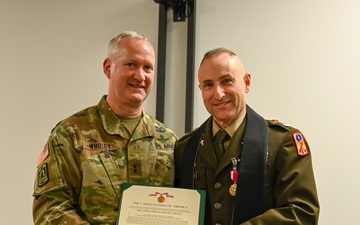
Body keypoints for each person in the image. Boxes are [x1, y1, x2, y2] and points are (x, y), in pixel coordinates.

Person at [32, 31, 177, 225]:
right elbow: (50, 209)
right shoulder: (71, 134)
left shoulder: (168, 141)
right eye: (131, 64)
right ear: (108, 68)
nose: (140, 75)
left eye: (148, 68)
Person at [175, 47, 320, 225]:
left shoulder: (283, 143)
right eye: (208, 85)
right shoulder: (186, 147)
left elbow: (302, 213)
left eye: (227, 81)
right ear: (201, 89)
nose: (218, 94)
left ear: (247, 82)